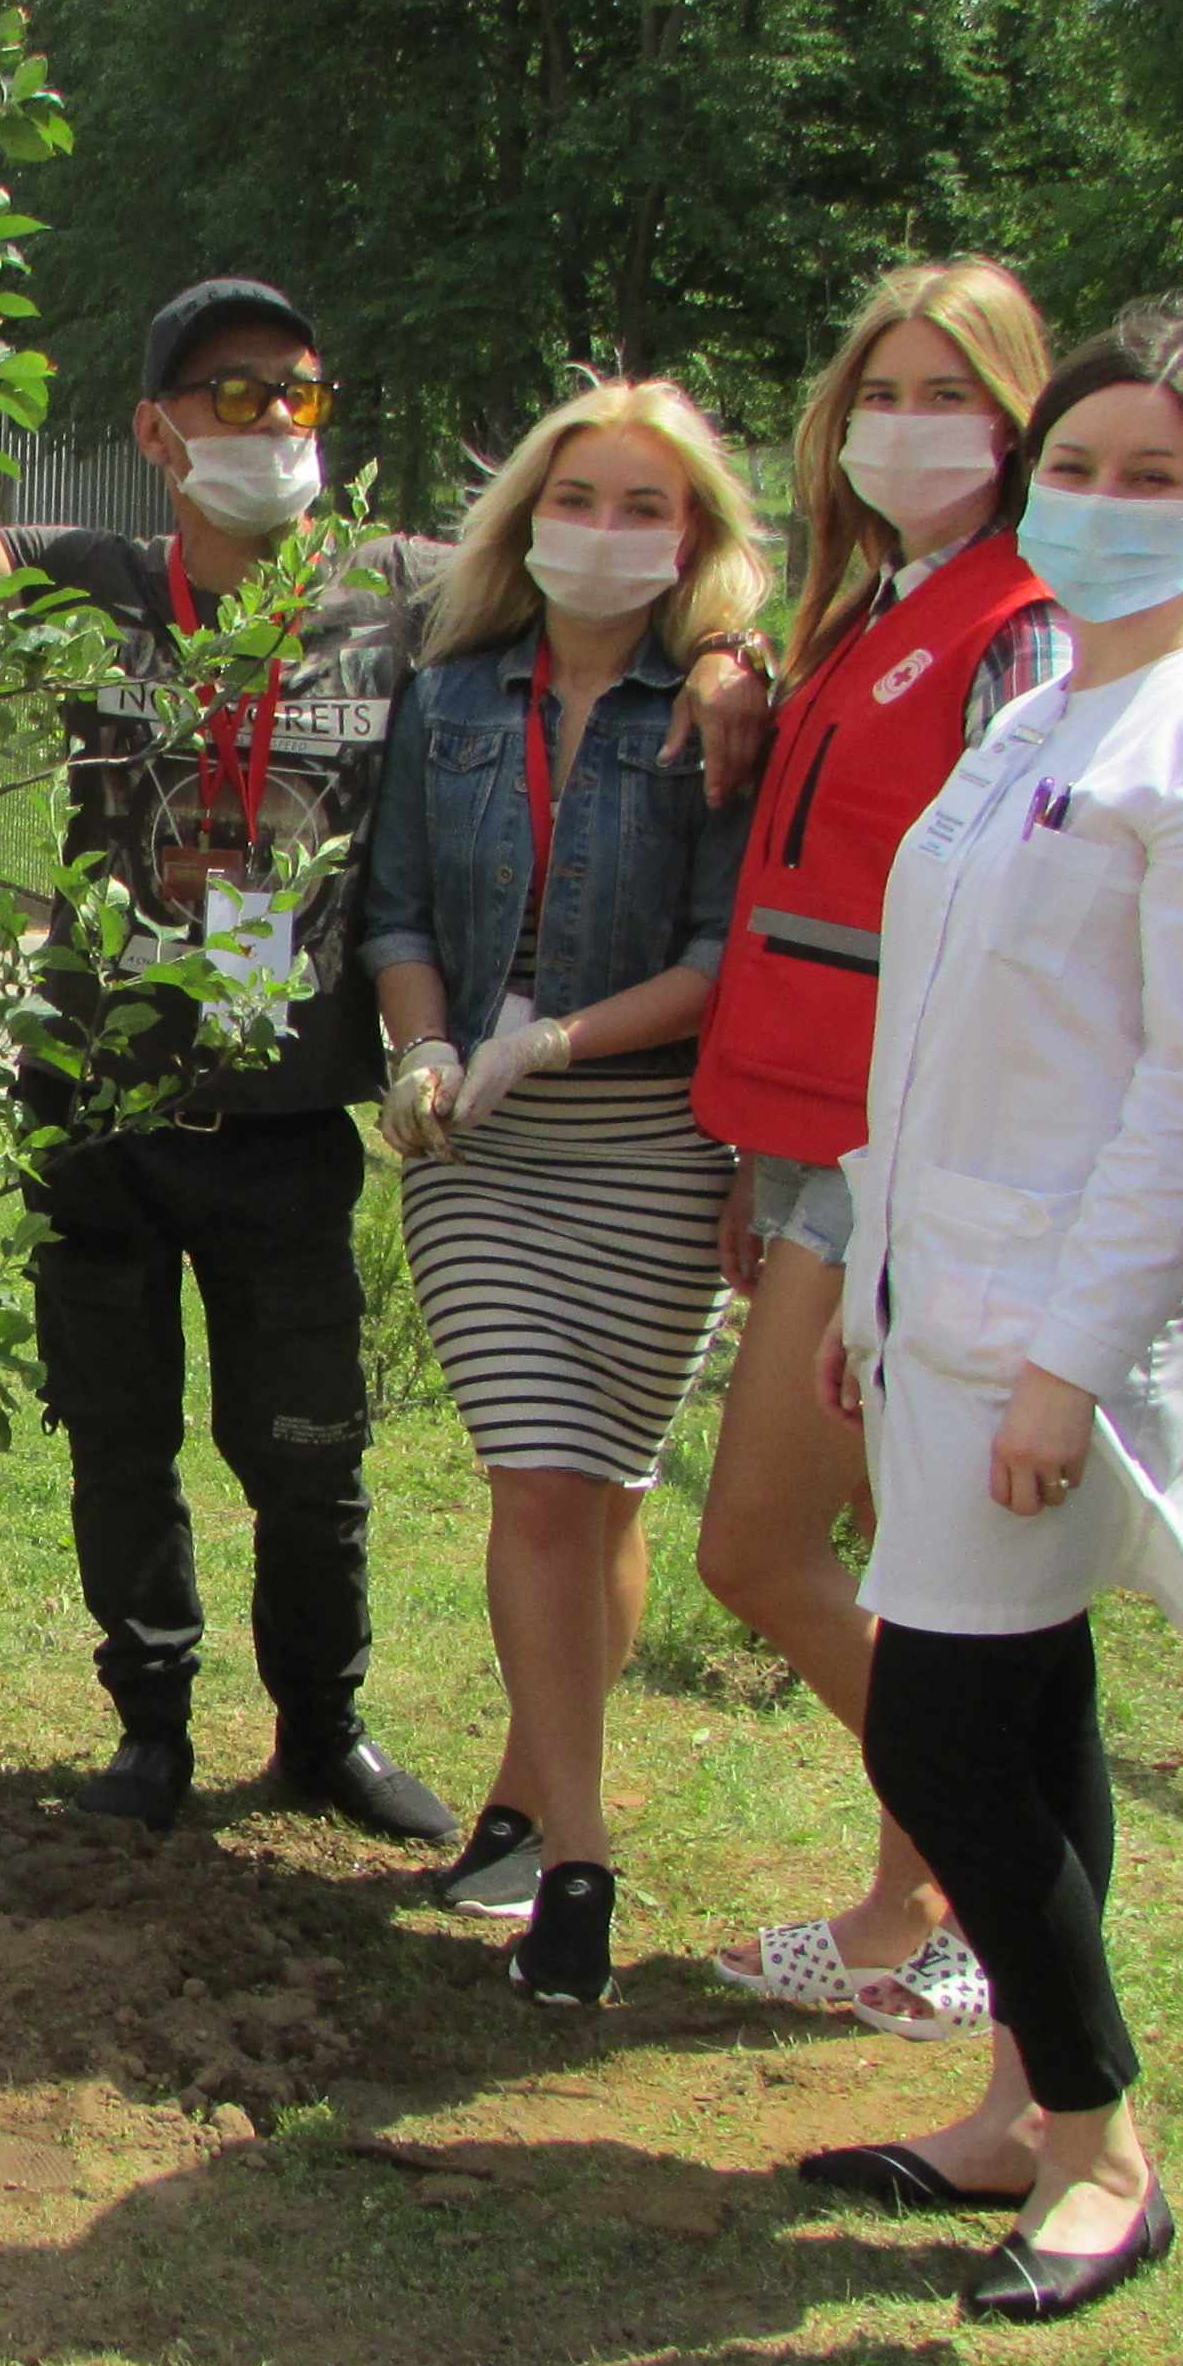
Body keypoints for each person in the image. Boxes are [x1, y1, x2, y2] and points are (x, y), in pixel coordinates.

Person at [798, 301, 1183, 2324]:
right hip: (936, 1303)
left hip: (1055, 1330)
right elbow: (927, 1031)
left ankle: (1107, 2145)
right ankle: (1016, 2112)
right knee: (1030, 1710)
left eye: (1156, 476)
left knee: (943, 1726)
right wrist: (867, 1270)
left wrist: (1063, 1365)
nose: (1106, 508)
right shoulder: (1034, 714)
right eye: (1079, 469)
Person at [0, 276, 458, 1841]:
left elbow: (603, 559)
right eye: (231, 394)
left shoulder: (398, 589)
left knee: (306, 1449)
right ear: (156, 430)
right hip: (99, 1106)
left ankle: (322, 1729)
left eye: (298, 391)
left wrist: (721, 661)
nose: (272, 421)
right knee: (120, 1435)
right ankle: (149, 1726)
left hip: (286, 1118)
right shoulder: (97, 580)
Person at [689, 259, 1070, 2041]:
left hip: (897, 1165)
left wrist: (881, 1199)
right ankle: (912, 1912)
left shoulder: (1024, 626)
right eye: (884, 395)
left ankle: (994, 1883)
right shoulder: (878, 607)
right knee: (885, 1563)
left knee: (757, 1549)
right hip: (812, 1147)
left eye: (955, 397)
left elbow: (1014, 908)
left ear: (1021, 421)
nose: (914, 429)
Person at [360, 375, 762, 2005]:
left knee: (605, 1490)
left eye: (644, 507)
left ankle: (529, 1796)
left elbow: (722, 957)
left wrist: (566, 1039)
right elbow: (393, 905)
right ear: (527, 520)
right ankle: (584, 1864)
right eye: (576, 501)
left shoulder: (729, 708)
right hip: (485, 1152)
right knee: (534, 1476)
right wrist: (430, 1046)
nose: (605, 535)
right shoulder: (449, 692)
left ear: (694, 539)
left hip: (652, 1143)